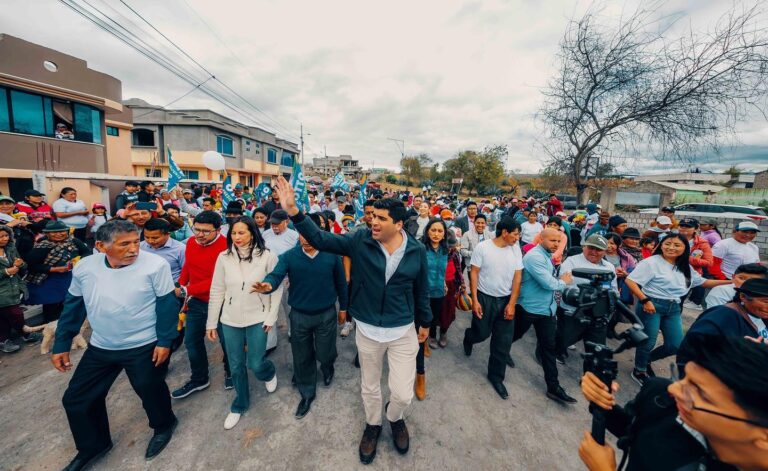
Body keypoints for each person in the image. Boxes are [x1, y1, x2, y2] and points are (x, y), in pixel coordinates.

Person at [271, 176, 430, 465]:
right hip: (368, 330)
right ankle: (373, 425)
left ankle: (395, 418)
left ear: (398, 224)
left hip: (402, 330)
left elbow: (421, 290)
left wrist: (425, 323)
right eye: (373, 217)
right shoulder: (359, 240)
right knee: (370, 386)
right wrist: (294, 211)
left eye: (381, 218)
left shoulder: (416, 250)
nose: (374, 222)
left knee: (402, 392)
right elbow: (321, 239)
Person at [52, 220, 179, 470]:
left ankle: (164, 425)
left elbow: (167, 305)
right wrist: (61, 343)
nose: (134, 249)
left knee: (149, 389)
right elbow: (74, 305)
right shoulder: (85, 268)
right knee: (76, 399)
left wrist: (165, 341)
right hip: (102, 346)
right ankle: (94, 445)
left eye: (135, 241)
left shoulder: (155, 265)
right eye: (125, 244)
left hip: (143, 344)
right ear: (101, 246)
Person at [578, 335, 768, 471]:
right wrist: (600, 398)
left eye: (699, 391)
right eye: (683, 377)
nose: (673, 389)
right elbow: (636, 430)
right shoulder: (660, 398)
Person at [253, 213, 348, 419]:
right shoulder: (289, 256)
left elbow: (341, 284)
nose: (305, 239)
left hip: (326, 314)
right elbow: (276, 275)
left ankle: (328, 366)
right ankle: (307, 391)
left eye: (309, 235)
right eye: (301, 235)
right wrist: (267, 285)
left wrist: (343, 309)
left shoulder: (331, 256)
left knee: (326, 351)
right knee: (302, 355)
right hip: (299, 315)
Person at [205, 217, 282, 430]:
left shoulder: (267, 256)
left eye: (242, 233)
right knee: (236, 365)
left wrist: (271, 317)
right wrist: (211, 323)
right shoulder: (224, 257)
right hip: (230, 319)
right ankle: (240, 404)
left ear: (252, 233)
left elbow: (276, 289)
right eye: (234, 233)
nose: (236, 237)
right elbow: (217, 289)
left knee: (255, 363)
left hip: (258, 317)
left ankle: (268, 372)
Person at [625, 233, 731, 385]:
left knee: (675, 344)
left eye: (677, 245)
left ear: (684, 249)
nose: (671, 247)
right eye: (667, 243)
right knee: (648, 341)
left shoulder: (685, 266)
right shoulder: (651, 262)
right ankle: (639, 369)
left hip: (673, 307)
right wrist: (645, 300)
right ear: (661, 245)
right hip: (651, 305)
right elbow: (631, 281)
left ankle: (646, 359)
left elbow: (702, 282)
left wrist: (730, 282)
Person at [462, 217, 524, 400]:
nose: (517, 238)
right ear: (504, 232)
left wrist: (512, 303)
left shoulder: (516, 250)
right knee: (481, 333)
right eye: (515, 234)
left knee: (502, 342)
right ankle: (469, 337)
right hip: (484, 297)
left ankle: (496, 377)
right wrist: (474, 300)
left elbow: (517, 277)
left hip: (505, 300)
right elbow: (474, 273)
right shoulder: (484, 248)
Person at [172, 211, 231, 399]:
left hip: (222, 302)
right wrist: (181, 284)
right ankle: (199, 379)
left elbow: (218, 279)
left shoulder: (227, 247)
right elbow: (188, 266)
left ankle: (231, 373)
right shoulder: (190, 242)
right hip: (197, 302)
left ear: (218, 230)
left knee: (227, 341)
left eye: (206, 231)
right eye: (196, 229)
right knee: (192, 341)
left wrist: (188, 290)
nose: (199, 234)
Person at [514, 228, 577, 404]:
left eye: (559, 241)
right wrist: (564, 281)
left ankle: (554, 387)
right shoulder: (534, 257)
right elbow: (549, 284)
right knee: (514, 335)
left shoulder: (546, 255)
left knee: (548, 348)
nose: (556, 244)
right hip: (529, 308)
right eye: (552, 241)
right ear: (541, 239)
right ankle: (500, 354)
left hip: (547, 311)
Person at [677, 278, 768, 372]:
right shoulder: (722, 316)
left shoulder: (762, 317)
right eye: (766, 301)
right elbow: (693, 349)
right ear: (743, 297)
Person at [556, 234, 617, 362]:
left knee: (597, 350)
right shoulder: (572, 261)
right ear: (584, 247)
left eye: (598, 249)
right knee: (563, 339)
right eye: (591, 248)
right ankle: (551, 353)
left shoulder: (609, 267)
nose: (594, 252)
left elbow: (613, 288)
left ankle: (592, 376)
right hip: (573, 311)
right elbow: (563, 283)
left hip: (598, 314)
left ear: (605, 251)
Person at [412, 218, 450, 400]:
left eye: (440, 231)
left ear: (444, 234)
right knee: (420, 330)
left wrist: (443, 282)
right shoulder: (420, 249)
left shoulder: (445, 250)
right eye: (433, 230)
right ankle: (420, 375)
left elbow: (441, 270)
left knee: (433, 321)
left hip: (438, 293)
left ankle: (427, 342)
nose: (436, 234)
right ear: (427, 231)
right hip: (421, 296)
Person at [25, 221, 90, 323]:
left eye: (62, 231)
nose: (58, 234)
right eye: (54, 232)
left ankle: (66, 324)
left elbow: (87, 252)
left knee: (68, 302)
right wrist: (54, 269)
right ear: (47, 234)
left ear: (67, 231)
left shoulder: (74, 241)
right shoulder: (43, 246)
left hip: (69, 277)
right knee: (52, 304)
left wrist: (78, 260)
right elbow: (31, 265)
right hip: (49, 280)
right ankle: (51, 325)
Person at [0, 226, 40, 353]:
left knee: (7, 315)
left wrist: (21, 263)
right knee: (14, 313)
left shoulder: (10, 249)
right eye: (1, 236)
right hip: (2, 291)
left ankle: (5, 340)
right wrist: (6, 271)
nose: (5, 239)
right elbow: (7, 271)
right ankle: (25, 334)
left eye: (6, 236)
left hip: (14, 287)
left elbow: (23, 266)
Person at [677, 218, 714, 310]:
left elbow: (709, 262)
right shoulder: (671, 238)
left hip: (688, 276)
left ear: (696, 228)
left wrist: (688, 259)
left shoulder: (702, 243)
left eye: (688, 226)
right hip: (670, 272)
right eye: (682, 225)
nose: (684, 228)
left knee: (679, 301)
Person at [437, 232, 465, 347]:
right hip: (436, 286)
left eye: (451, 247)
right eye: (447, 247)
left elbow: (459, 270)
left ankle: (443, 332)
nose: (449, 249)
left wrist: (462, 283)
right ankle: (432, 335)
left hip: (451, 286)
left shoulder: (455, 255)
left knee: (447, 311)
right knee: (434, 311)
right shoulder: (435, 253)